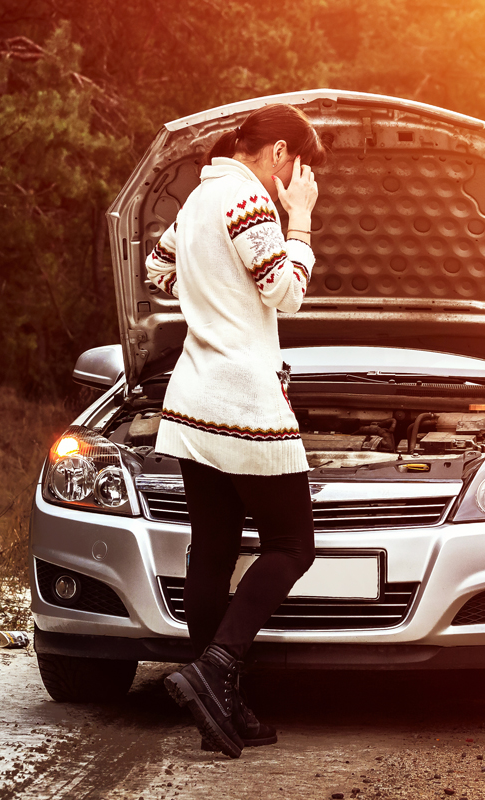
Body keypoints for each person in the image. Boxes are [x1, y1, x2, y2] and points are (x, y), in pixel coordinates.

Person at [144, 103, 327, 759]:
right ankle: (216, 669)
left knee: (213, 551)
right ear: (280, 153)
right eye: (301, 169)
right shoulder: (248, 201)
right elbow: (286, 291)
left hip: (192, 397)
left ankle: (219, 698)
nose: (299, 182)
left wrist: (210, 300)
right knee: (292, 545)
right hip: (244, 400)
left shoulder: (199, 198)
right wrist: (300, 222)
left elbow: (156, 271)